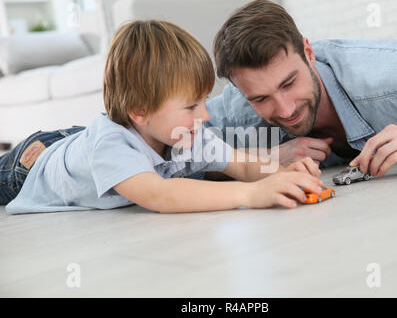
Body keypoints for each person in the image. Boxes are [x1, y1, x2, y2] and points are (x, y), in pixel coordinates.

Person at [0, 20, 324, 214]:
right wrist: (252, 194)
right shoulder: (112, 146)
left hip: (77, 140)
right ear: (140, 111)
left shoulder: (184, 133)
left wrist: (281, 172)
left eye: (203, 101)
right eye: (191, 106)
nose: (206, 114)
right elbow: (160, 195)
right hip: (32, 163)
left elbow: (238, 163)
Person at [205, 0, 397, 178]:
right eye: (260, 98)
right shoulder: (238, 108)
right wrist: (264, 159)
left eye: (289, 83)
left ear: (309, 53)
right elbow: (172, 154)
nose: (285, 109)